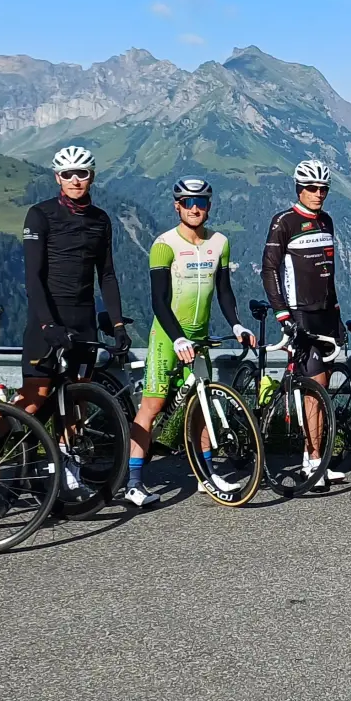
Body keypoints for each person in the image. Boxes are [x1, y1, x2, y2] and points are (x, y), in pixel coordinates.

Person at [126, 178, 255, 504]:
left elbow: (225, 292)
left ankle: (206, 475)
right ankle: (133, 482)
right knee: (152, 406)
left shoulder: (220, 243)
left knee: (201, 406)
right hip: (168, 337)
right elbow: (158, 301)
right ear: (177, 206)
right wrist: (178, 337)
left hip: (198, 338)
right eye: (187, 202)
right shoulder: (164, 244)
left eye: (201, 202)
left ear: (209, 206)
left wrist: (237, 325)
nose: (194, 208)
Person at [17, 146, 130, 503]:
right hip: (46, 320)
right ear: (57, 178)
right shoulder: (40, 215)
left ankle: (68, 471)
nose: (75, 180)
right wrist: (48, 324)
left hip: (82, 321)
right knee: (34, 400)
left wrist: (117, 324)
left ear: (92, 176)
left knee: (77, 399)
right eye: (68, 174)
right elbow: (32, 278)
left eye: (82, 173)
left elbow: (107, 275)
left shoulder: (100, 219)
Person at [261, 159, 345, 488]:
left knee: (321, 390)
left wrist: (335, 312)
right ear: (299, 188)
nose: (318, 194)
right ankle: (311, 463)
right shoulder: (284, 222)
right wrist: (282, 313)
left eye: (323, 188)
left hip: (325, 311)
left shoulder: (326, 221)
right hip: (299, 313)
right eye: (312, 188)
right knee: (315, 389)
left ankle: (316, 458)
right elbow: (269, 271)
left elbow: (330, 271)